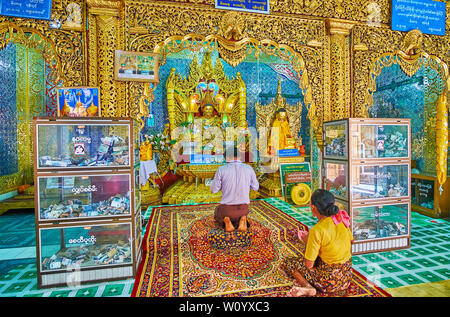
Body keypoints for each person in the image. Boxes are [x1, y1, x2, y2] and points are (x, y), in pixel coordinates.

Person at [282, 189, 353, 296]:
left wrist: (308, 241)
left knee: (288, 262)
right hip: (346, 278)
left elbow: (309, 265)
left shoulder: (317, 230)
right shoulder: (341, 220)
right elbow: (352, 241)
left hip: (328, 282)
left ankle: (308, 287)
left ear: (313, 207)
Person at [210, 146, 259, 234]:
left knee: (217, 211)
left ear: (227, 158)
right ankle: (243, 218)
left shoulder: (221, 169)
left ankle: (227, 220)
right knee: (240, 212)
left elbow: (214, 190)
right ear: (240, 157)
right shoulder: (249, 168)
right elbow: (256, 187)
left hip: (227, 209)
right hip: (244, 208)